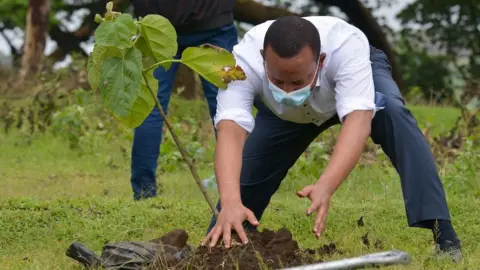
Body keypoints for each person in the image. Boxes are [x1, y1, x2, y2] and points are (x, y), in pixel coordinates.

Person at [201, 16, 462, 261]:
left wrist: (326, 186)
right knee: (234, 202)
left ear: (321, 61)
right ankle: (229, 239)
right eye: (278, 81)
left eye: (297, 81)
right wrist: (231, 201)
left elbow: (358, 124)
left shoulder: (346, 48)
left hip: (353, 85)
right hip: (282, 117)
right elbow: (230, 131)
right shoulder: (240, 64)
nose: (288, 91)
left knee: (393, 113)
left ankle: (444, 236)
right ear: (262, 60)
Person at [129, 0, 238, 200]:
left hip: (156, 25)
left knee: (149, 107)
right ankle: (241, 186)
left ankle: (144, 193)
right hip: (212, 19)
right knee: (229, 106)